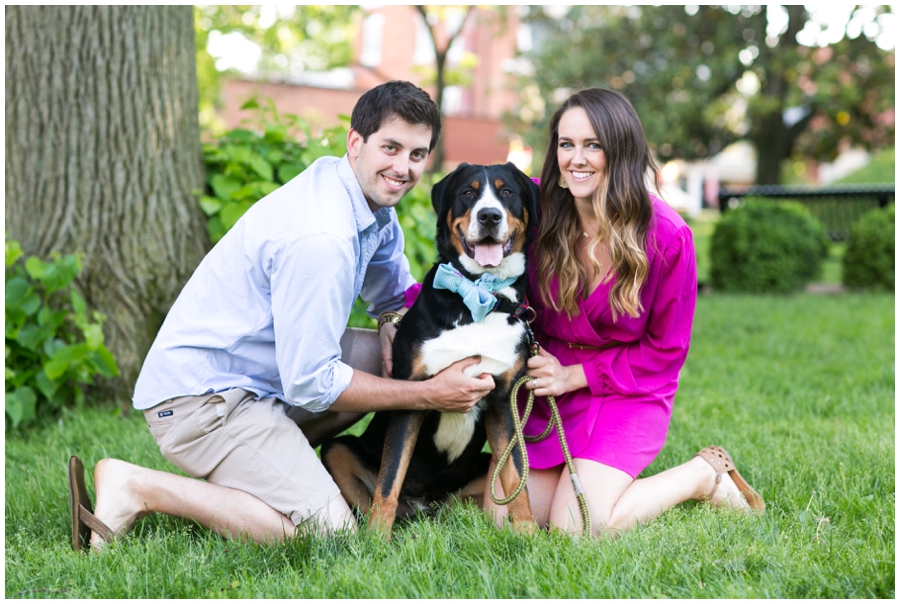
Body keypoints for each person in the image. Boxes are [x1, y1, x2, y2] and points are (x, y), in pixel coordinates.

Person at [69, 81, 497, 550]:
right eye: (390, 148)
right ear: (356, 142)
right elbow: (311, 383)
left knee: (397, 356)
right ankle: (138, 486)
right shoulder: (321, 239)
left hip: (260, 378)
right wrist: (428, 394)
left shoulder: (368, 203)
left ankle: (267, 468)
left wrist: (393, 322)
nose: (403, 168)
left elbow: (394, 294)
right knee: (328, 534)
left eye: (417, 154)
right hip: (203, 406)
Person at [484, 88, 764, 538]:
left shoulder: (668, 237)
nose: (576, 158)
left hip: (626, 391)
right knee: (503, 517)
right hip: (547, 388)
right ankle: (571, 478)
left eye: (593, 145)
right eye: (566, 143)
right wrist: (404, 309)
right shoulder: (535, 210)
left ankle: (701, 475)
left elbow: (665, 352)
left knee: (575, 527)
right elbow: (466, 256)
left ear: (622, 152)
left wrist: (576, 375)